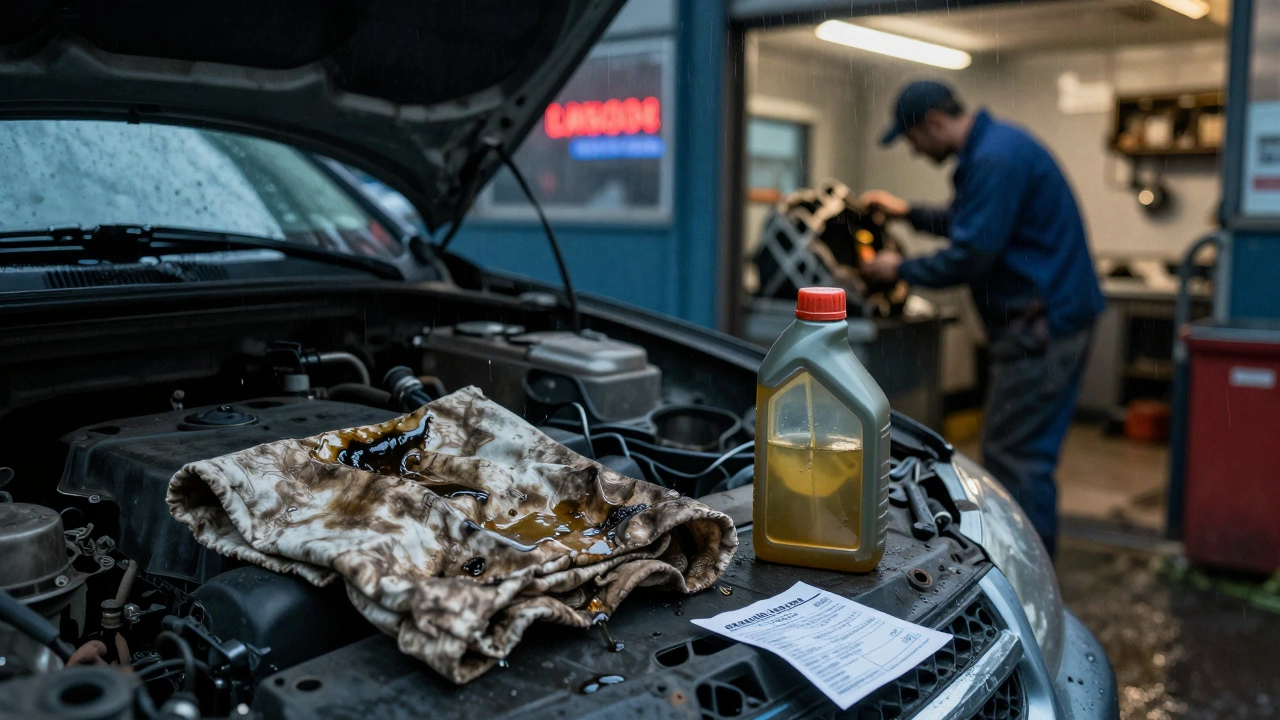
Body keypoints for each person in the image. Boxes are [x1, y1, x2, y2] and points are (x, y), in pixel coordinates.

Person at [860, 80, 1105, 557]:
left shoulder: (994, 160)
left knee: (1017, 457)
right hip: (1052, 319)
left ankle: (1028, 572)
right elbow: (970, 220)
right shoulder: (1000, 148)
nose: (913, 151)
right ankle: (1026, 560)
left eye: (912, 139)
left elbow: (972, 253)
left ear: (933, 123)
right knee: (1019, 453)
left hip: (1042, 328)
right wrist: (908, 212)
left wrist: (897, 270)